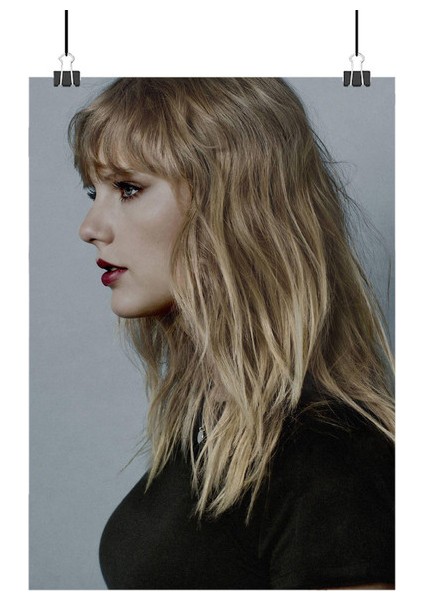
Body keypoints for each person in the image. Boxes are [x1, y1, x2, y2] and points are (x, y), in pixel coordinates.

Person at [68, 78, 395, 590]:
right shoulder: (212, 423)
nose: (90, 227)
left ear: (234, 202)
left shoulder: (327, 454)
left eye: (128, 188)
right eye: (95, 192)